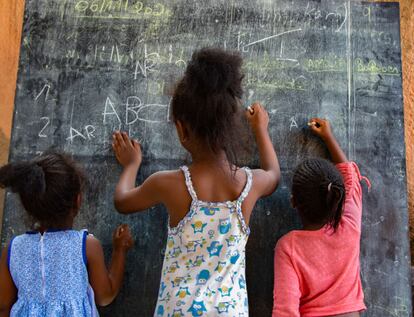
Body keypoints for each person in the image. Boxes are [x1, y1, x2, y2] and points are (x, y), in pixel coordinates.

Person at [112, 48, 280, 316]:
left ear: (181, 128)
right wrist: (260, 129)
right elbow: (274, 173)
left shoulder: (170, 184)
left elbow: (122, 201)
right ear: (229, 125)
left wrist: (132, 165)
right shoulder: (249, 184)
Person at [0, 151, 134, 317]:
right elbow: (105, 296)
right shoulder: (86, 246)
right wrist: (120, 250)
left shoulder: (13, 249)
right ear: (78, 200)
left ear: (27, 206)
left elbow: (4, 306)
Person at [272, 118, 370, 317]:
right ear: (337, 197)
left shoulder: (289, 246)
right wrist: (328, 137)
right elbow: (351, 178)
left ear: (293, 202)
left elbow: (285, 311)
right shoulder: (348, 225)